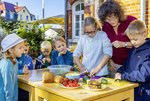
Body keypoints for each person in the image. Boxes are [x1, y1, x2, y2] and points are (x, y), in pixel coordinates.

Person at [98, 0, 137, 77]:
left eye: (114, 17)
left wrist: (123, 44)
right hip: (114, 66)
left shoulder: (131, 21)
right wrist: (109, 60)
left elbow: (141, 43)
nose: (111, 21)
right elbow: (106, 45)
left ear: (119, 14)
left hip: (131, 65)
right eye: (108, 19)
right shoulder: (106, 26)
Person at [115, 20, 150, 101]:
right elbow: (126, 65)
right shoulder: (133, 49)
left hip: (144, 95)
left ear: (144, 34)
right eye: (130, 39)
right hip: (132, 91)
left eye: (135, 39)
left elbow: (144, 75)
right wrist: (119, 71)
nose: (132, 42)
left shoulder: (148, 51)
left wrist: (123, 76)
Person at [0, 33, 25, 101]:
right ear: (10, 50)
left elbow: (14, 72)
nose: (23, 49)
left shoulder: (14, 61)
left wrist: (21, 71)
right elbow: (8, 88)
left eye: (23, 47)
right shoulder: (6, 64)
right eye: (20, 47)